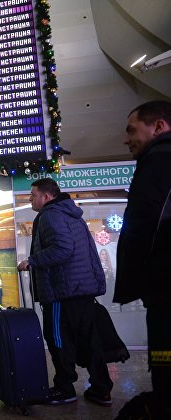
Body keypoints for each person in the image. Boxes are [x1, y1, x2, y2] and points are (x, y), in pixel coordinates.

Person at [17, 178, 112, 406]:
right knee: (89, 340)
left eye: (33, 195)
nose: (30, 199)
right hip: (81, 289)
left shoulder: (50, 215)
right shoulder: (71, 214)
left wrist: (32, 261)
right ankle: (101, 389)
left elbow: (62, 249)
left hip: (63, 290)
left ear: (46, 197)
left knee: (58, 339)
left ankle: (64, 388)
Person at [114, 100, 171, 419]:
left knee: (164, 355)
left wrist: (139, 278)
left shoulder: (160, 159)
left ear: (159, 126)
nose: (127, 139)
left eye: (132, 129)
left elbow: (147, 223)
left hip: (166, 291)